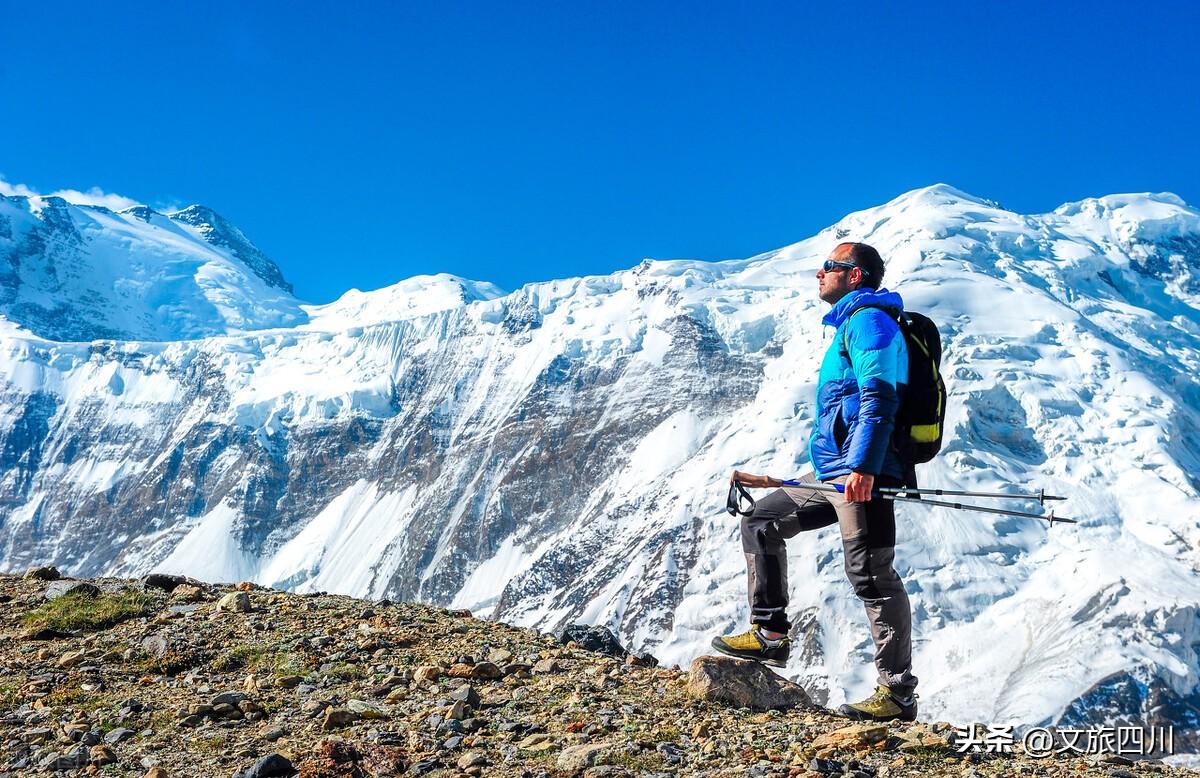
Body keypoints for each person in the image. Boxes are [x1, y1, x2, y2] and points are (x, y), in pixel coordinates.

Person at [710, 242, 920, 722]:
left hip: (859, 472)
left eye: (829, 266)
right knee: (762, 519)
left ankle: (897, 693)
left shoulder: (870, 322)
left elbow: (879, 398)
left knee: (871, 574)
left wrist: (864, 467)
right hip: (833, 470)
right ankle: (769, 636)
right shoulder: (850, 323)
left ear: (856, 275)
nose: (819, 274)